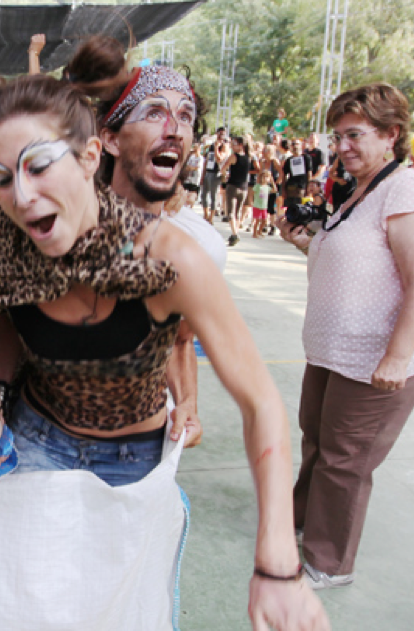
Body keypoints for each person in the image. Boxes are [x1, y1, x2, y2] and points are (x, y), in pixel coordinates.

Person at [0, 73, 330, 631]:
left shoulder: (169, 260)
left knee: (100, 614)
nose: (22, 195)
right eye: (0, 175)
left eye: (38, 165)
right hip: (35, 438)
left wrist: (278, 563)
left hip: (128, 465)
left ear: (87, 156)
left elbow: (262, 402)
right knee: (22, 605)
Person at [278, 83, 414, 589]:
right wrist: (303, 241)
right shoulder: (361, 189)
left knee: (346, 460)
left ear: (391, 134)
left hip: (374, 358)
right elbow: (353, 263)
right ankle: (298, 521)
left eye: (355, 135)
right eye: (338, 136)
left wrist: (398, 357)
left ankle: (329, 562)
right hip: (333, 351)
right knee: (319, 443)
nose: (343, 147)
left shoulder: (406, 192)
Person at [64, 36, 225, 448]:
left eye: (185, 116)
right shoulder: (60, 226)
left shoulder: (193, 250)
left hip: (138, 450)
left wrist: (187, 402)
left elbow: (179, 338)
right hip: (44, 439)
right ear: (111, 140)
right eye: (154, 113)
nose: (174, 129)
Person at [221, 135, 251, 246]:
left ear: (240, 145)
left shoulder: (234, 156)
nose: (232, 146)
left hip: (233, 186)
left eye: (234, 144)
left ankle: (235, 234)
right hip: (244, 188)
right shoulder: (248, 157)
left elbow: (223, 169)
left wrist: (226, 176)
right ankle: (235, 232)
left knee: (231, 212)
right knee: (237, 213)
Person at [200, 126, 227, 223]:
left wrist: (216, 148)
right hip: (208, 171)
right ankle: (205, 214)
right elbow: (206, 160)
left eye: (223, 134)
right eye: (219, 133)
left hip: (216, 173)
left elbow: (220, 158)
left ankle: (211, 217)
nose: (221, 135)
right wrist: (203, 175)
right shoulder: (211, 145)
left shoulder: (225, 146)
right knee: (204, 195)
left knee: (213, 196)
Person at [251, 170, 274, 238]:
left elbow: (275, 190)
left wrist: (272, 181)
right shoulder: (257, 186)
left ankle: (259, 231)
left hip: (264, 207)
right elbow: (252, 193)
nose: (265, 178)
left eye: (267, 177)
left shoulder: (267, 187)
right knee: (257, 220)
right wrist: (252, 201)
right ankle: (254, 233)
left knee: (264, 220)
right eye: (264, 177)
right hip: (257, 206)